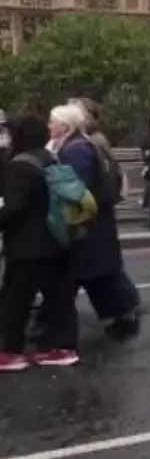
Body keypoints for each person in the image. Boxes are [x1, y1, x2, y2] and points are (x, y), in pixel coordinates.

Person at [46, 104, 141, 340]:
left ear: (64, 126)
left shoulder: (76, 149)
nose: (49, 126)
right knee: (95, 275)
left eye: (52, 122)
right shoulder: (77, 144)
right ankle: (122, 316)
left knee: (85, 274)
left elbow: (74, 188)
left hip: (87, 224)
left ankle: (54, 326)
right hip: (92, 225)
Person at [0, 115, 80, 371]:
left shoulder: (19, 166)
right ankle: (62, 348)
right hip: (58, 239)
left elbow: (14, 210)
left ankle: (10, 351)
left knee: (14, 301)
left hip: (27, 247)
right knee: (59, 300)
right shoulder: (51, 158)